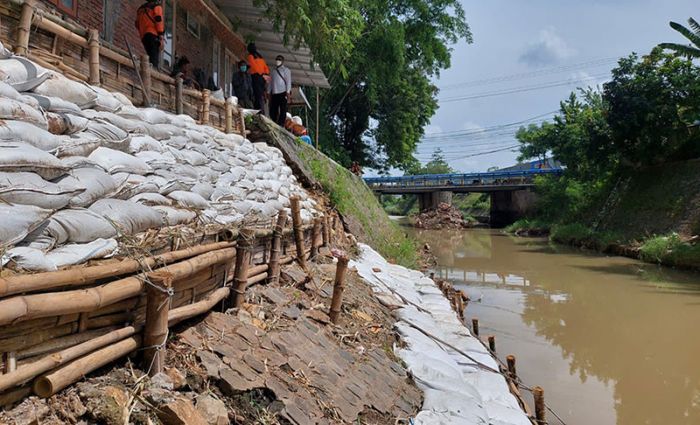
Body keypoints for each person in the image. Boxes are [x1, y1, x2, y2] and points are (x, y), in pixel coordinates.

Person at [135, 0, 165, 68]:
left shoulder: (140, 10)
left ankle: (149, 71)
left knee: (150, 56)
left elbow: (137, 24)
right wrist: (161, 36)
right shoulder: (157, 7)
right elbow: (158, 20)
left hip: (144, 36)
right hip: (153, 34)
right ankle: (153, 73)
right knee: (154, 58)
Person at [268, 55, 292, 127]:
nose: (278, 61)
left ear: (283, 61)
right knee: (273, 108)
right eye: (277, 59)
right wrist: (268, 92)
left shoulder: (286, 70)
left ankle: (281, 124)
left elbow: (288, 82)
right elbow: (270, 82)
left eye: (280, 59)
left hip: (283, 92)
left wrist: (288, 92)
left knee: (283, 109)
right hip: (274, 93)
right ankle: (273, 121)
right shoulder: (273, 71)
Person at [246, 42, 269, 111]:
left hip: (256, 77)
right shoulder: (260, 57)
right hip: (263, 77)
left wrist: (258, 73)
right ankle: (261, 109)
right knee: (261, 94)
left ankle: (258, 109)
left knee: (257, 94)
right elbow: (266, 69)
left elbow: (253, 66)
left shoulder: (251, 56)